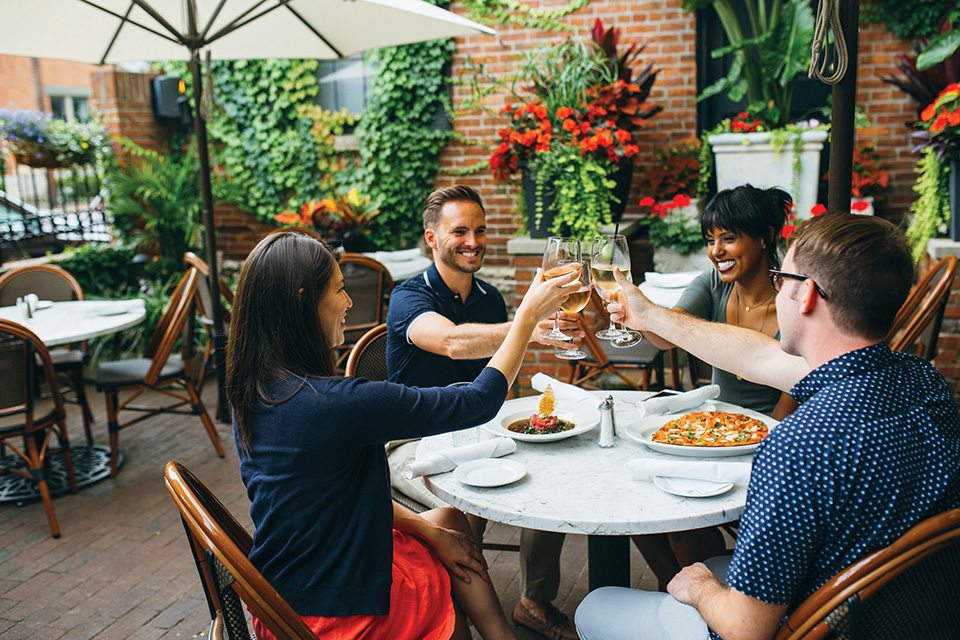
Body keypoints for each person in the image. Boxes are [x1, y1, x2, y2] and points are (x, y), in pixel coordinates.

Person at [576, 212, 960, 640]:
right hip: (907, 613)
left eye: (781, 278)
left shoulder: (799, 444)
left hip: (811, 626)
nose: (775, 289)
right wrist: (651, 316)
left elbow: (745, 629)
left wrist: (701, 588)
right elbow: (760, 358)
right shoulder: (926, 383)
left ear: (807, 295)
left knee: (595, 604)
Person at [226, 226, 578, 640]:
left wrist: (429, 531)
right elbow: (476, 402)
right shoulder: (337, 404)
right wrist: (526, 319)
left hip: (288, 592)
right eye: (339, 290)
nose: (350, 301)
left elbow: (333, 501)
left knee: (448, 521)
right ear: (304, 303)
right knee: (441, 590)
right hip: (337, 615)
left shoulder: (257, 388)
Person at [386, 185, 582, 640]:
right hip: (414, 442)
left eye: (480, 230)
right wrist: (528, 324)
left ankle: (534, 600)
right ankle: (459, 616)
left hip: (478, 431)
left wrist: (534, 331)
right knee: (462, 514)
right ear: (432, 238)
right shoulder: (407, 297)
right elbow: (452, 342)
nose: (473, 240)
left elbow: (497, 375)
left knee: (550, 476)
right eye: (459, 231)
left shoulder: (490, 298)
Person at [632, 185, 799, 590]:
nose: (716, 251)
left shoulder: (792, 299)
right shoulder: (712, 283)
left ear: (763, 237)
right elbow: (667, 337)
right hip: (714, 434)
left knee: (677, 517)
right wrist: (637, 310)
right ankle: (682, 595)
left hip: (765, 444)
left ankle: (712, 599)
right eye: (711, 240)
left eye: (728, 238)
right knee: (639, 509)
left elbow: (787, 408)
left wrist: (742, 456)